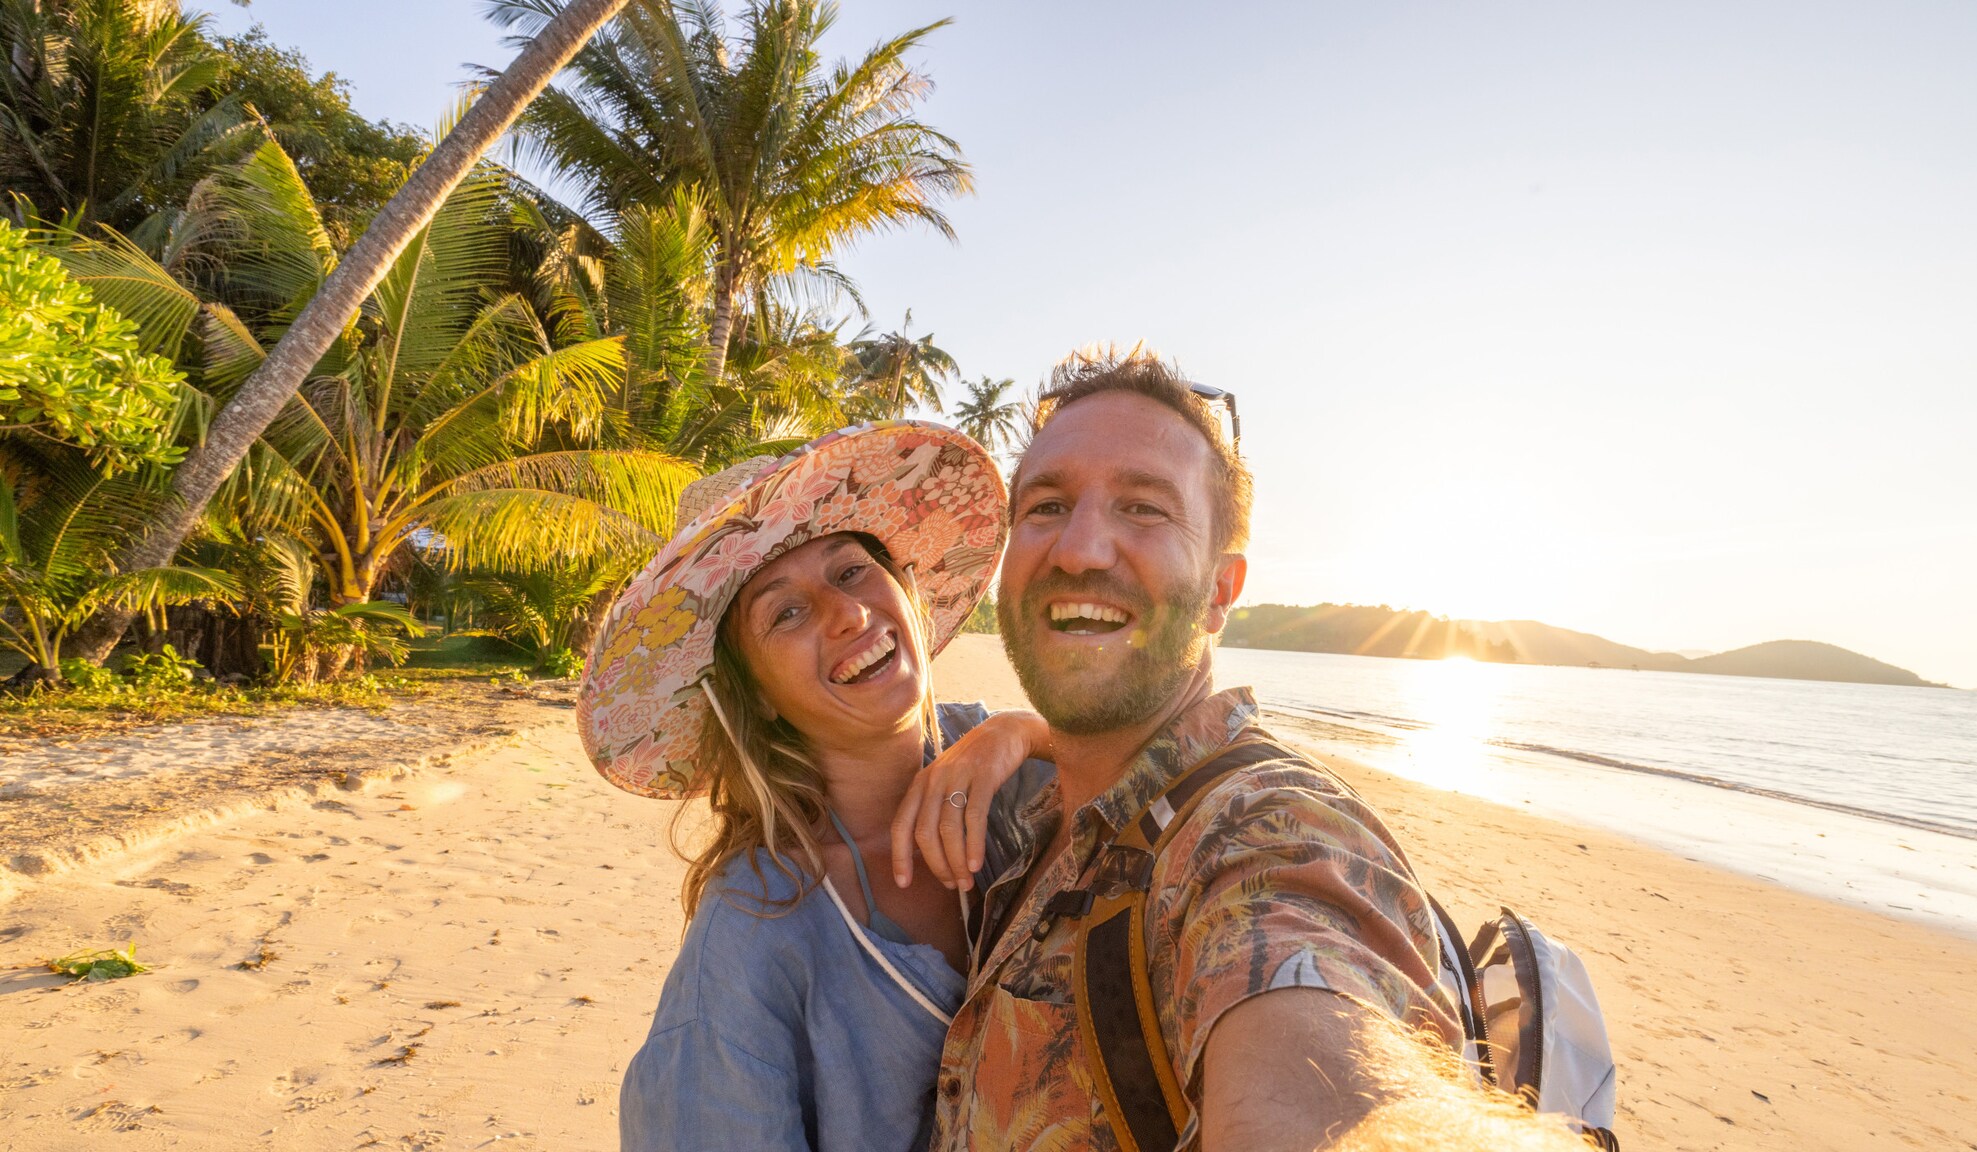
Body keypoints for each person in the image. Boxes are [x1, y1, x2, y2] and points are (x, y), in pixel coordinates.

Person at [919, 349, 1592, 1151]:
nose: (1080, 549)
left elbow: (1328, 1084)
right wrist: (1013, 734)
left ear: (1220, 593)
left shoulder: (1266, 831)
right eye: (1046, 505)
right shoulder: (1041, 813)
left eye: (1143, 508)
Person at [576, 422, 1053, 1152]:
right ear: (757, 693)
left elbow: (1178, 765)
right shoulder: (754, 932)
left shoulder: (1008, 768)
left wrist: (1023, 732)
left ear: (908, 590)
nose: (847, 613)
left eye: (852, 570)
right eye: (786, 612)